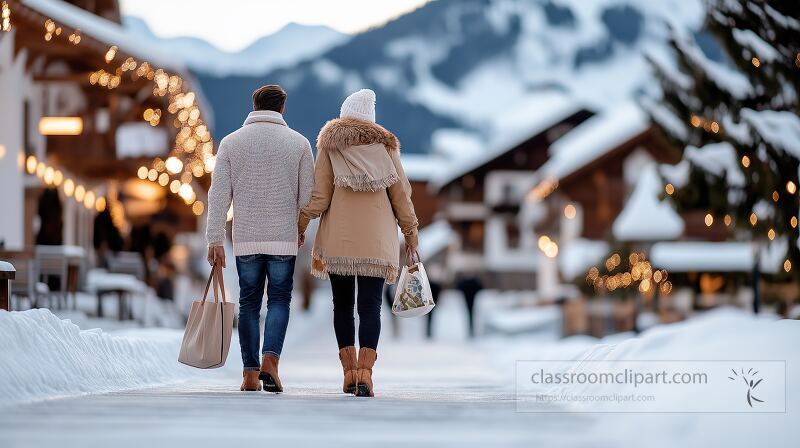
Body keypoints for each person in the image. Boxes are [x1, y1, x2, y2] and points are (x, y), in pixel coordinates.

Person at [298, 89, 419, 397]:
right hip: (377, 245)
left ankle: (349, 373)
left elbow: (320, 197)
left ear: (344, 115)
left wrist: (300, 224)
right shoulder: (387, 149)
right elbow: (402, 196)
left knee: (342, 306)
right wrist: (411, 236)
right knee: (370, 308)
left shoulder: (329, 146)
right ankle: (366, 374)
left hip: (339, 242)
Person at [206, 84, 314, 392]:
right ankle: (271, 361)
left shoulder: (230, 143)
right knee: (279, 299)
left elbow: (218, 196)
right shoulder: (299, 144)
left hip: (246, 239)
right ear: (282, 108)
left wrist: (214, 238)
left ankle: (250, 375)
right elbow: (308, 197)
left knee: (249, 303)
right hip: (283, 238)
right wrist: (300, 228)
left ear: (254, 106)